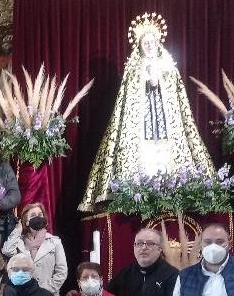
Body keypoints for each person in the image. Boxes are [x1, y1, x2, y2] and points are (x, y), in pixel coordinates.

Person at [82, 13, 215, 209]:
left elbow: (176, 98)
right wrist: (145, 78)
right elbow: (127, 103)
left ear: (158, 42)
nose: (149, 45)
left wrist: (158, 79)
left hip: (165, 122)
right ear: (140, 45)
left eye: (152, 41)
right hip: (141, 127)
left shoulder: (169, 66)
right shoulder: (133, 68)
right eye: (145, 42)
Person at [1, 203, 68, 296]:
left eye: (40, 214)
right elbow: (7, 250)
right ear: (26, 222)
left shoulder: (55, 242)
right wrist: (17, 231)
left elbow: (62, 272)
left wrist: (42, 290)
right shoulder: (19, 242)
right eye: (33, 215)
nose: (37, 217)